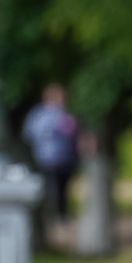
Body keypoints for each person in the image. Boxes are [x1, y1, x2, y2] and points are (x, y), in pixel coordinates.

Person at [23, 85, 79, 220]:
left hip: (65, 158)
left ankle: (60, 215)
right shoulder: (39, 114)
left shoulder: (64, 113)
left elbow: (73, 133)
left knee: (62, 188)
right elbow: (30, 134)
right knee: (50, 188)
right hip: (46, 158)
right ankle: (51, 216)